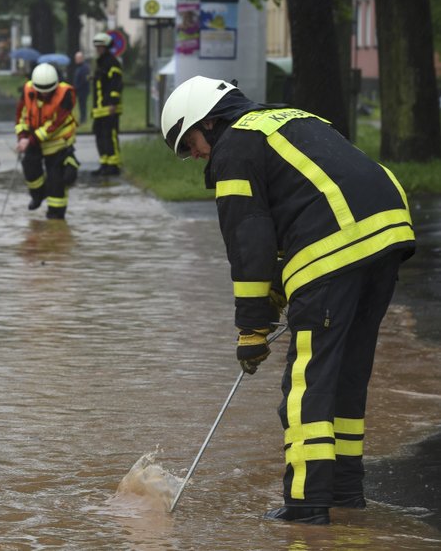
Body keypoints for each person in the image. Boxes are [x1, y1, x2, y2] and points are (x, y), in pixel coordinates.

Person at [160, 76, 416, 525]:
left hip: (335, 246)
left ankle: (304, 505)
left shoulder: (234, 147)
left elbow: (249, 242)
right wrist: (279, 290)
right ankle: (344, 494)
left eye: (190, 143)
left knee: (306, 382)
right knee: (346, 376)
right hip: (388, 234)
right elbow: (301, 205)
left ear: (209, 121)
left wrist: (251, 328)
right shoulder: (289, 118)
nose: (195, 155)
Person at [15, 63, 79, 220]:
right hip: (33, 141)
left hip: (58, 143)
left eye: (48, 91)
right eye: (41, 91)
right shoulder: (28, 90)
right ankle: (38, 195)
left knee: (57, 181)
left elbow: (55, 124)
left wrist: (31, 139)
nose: (44, 94)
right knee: (29, 167)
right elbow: (21, 116)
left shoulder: (65, 94)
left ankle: (56, 217)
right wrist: (23, 136)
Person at [90, 32, 123, 176]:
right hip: (99, 108)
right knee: (100, 136)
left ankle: (114, 166)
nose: (98, 49)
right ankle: (104, 164)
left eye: (101, 46)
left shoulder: (112, 62)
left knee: (111, 136)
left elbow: (116, 84)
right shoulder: (100, 63)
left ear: (107, 47)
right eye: (97, 46)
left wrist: (113, 103)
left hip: (109, 108)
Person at [72, 51, 90, 125]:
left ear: (81, 58)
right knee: (81, 105)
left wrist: (77, 87)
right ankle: (82, 118)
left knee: (83, 105)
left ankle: (83, 118)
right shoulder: (79, 67)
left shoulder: (85, 68)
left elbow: (84, 80)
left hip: (83, 90)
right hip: (79, 90)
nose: (76, 60)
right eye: (75, 58)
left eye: (77, 58)